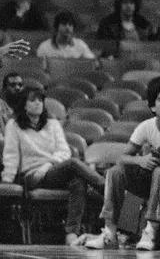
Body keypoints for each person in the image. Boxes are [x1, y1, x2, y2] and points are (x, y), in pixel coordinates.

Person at [82, 81, 160, 250]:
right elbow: (122, 157)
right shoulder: (146, 126)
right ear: (152, 107)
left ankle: (150, 232)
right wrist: (140, 160)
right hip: (154, 182)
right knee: (115, 172)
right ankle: (109, 233)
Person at [2, 86, 105, 245]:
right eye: (32, 100)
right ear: (23, 104)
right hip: (31, 176)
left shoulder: (52, 124)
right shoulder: (13, 126)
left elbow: (64, 151)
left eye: (40, 99)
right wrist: (7, 181)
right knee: (73, 164)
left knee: (78, 181)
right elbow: (11, 156)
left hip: (52, 171)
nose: (38, 103)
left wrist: (47, 166)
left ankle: (71, 234)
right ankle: (109, 190)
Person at [0, 72, 25, 142]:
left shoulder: (28, 106)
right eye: (12, 85)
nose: (17, 88)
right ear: (4, 90)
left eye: (20, 85)